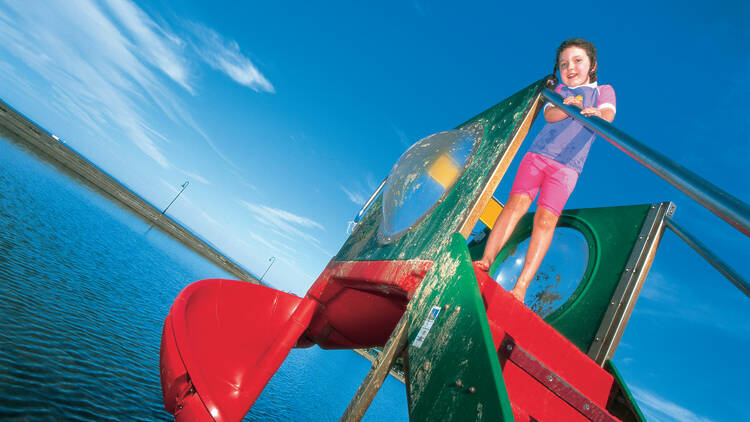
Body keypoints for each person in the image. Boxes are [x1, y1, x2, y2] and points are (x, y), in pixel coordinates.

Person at [474, 38, 616, 303]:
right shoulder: (561, 89)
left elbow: (608, 115)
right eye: (564, 64)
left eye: (577, 61)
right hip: (538, 157)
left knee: (546, 220)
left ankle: (522, 285)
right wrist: (568, 106)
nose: (570, 67)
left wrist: (595, 112)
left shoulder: (602, 91)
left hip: (567, 169)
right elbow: (549, 114)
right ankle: (486, 259)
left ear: (592, 65)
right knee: (515, 205)